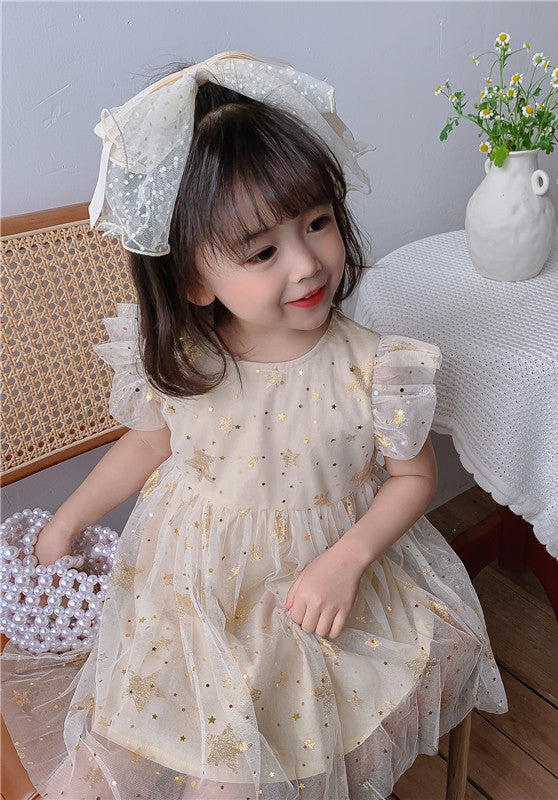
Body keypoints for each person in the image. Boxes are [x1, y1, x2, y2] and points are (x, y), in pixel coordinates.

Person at [1, 52, 507, 799]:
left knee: (244, 776)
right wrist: (68, 520)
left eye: (318, 223)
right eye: (263, 251)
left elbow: (412, 477)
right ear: (195, 280)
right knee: (107, 764)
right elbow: (150, 441)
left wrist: (347, 559)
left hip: (317, 588)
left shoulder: (377, 366)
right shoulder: (186, 357)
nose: (306, 265)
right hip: (187, 589)